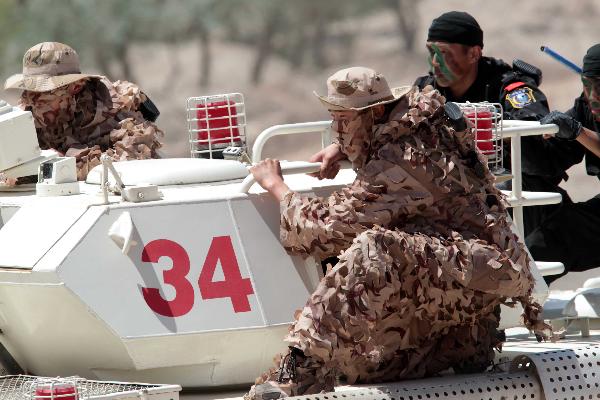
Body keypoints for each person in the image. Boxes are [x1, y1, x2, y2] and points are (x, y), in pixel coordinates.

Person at [245, 67, 549, 399]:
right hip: (471, 270)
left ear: (375, 113)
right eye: (335, 120)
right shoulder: (419, 131)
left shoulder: (401, 160)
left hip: (483, 269)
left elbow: (323, 229)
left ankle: (298, 371)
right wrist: (346, 147)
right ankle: (458, 347)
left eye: (345, 120)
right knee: (360, 367)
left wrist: (277, 186)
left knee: (374, 247)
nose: (337, 129)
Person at [413, 11, 585, 239]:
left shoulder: (511, 89)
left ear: (474, 54)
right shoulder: (426, 92)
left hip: (519, 195)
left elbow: (537, 145)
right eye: (431, 52)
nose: (435, 62)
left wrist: (485, 128)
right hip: (455, 193)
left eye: (443, 53)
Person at [3, 42, 163, 181]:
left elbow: (136, 160)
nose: (34, 102)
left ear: (75, 87)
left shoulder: (115, 106)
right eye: (28, 92)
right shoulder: (24, 116)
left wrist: (64, 165)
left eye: (44, 93)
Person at [526, 44, 600, 282]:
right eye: (588, 87)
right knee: (545, 243)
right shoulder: (587, 107)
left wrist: (578, 132)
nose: (594, 97)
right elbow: (549, 160)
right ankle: (515, 308)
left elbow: (578, 132)